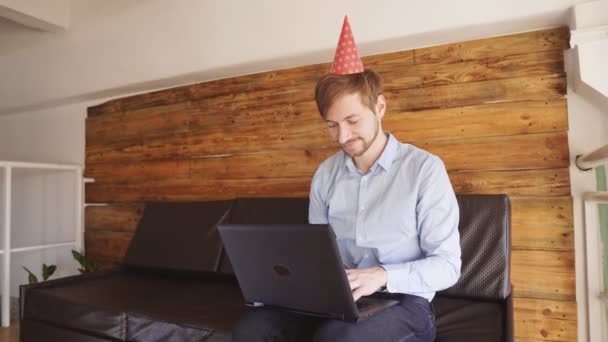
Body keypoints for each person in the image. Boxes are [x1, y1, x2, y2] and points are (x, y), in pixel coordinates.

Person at [232, 15, 461, 342]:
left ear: (380, 106)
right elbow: (315, 254)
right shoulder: (325, 175)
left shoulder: (425, 170)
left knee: (338, 338)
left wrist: (380, 276)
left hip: (405, 301)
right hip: (338, 297)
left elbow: (449, 267)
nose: (342, 136)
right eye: (331, 125)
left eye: (352, 120)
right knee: (253, 327)